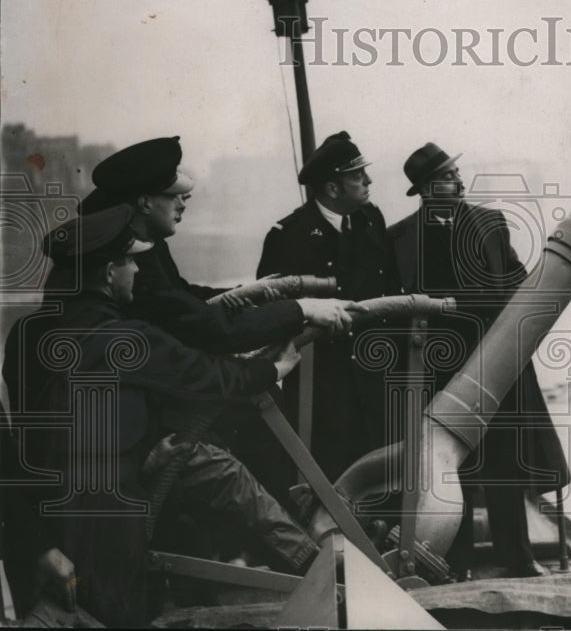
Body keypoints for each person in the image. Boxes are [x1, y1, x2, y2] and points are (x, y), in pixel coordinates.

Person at [1, 205, 319, 626]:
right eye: (131, 260)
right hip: (105, 521)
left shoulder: (26, 334)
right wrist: (273, 369)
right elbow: (206, 375)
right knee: (117, 616)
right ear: (108, 272)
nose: (136, 270)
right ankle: (316, 565)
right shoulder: (125, 338)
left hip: (35, 522)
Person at [79, 136, 356, 511]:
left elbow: (182, 295)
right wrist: (300, 310)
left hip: (139, 407)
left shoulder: (140, 242)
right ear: (145, 203)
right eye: (173, 196)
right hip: (135, 430)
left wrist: (253, 293)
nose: (183, 203)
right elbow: (202, 324)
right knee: (252, 429)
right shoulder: (128, 252)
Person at [388, 143, 569, 579]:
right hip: (438, 369)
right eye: (451, 176)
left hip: (496, 363)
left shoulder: (490, 223)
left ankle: (519, 558)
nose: (460, 181)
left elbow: (517, 280)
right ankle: (457, 563)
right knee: (452, 468)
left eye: (457, 173)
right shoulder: (399, 239)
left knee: (506, 463)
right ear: (429, 189)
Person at [257, 131, 402, 482]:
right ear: (332, 188)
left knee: (384, 477)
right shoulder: (289, 234)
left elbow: (391, 287)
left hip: (374, 376)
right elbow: (270, 312)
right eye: (357, 176)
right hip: (322, 388)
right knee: (329, 479)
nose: (368, 181)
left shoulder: (370, 220)